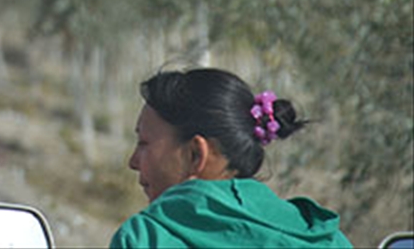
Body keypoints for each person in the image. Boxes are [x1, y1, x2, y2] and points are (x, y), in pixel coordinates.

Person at [111, 67, 353, 248]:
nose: (133, 161)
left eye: (144, 143)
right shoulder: (328, 239)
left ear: (196, 154)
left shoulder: (146, 239)